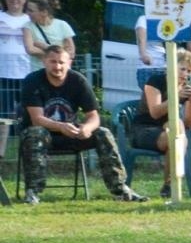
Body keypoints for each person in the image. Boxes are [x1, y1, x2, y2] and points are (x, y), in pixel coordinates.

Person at [19, 45, 146, 203]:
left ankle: (120, 189)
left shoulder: (78, 80)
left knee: (103, 133)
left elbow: (94, 116)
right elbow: (37, 119)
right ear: (44, 61)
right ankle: (33, 192)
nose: (57, 66)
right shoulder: (33, 81)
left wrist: (86, 128)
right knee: (36, 132)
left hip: (71, 133)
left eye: (61, 62)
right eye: (53, 62)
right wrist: (60, 126)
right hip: (42, 135)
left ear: (69, 63)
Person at [130, 47, 191, 199]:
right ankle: (172, 183)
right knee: (176, 138)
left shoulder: (185, 88)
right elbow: (155, 112)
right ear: (170, 66)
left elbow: (190, 123)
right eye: (183, 69)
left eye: (189, 71)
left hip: (169, 130)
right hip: (144, 129)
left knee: (179, 131)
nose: (185, 75)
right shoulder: (155, 81)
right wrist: (176, 96)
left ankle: (169, 185)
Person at [0, 0, 29, 158]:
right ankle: (1, 155)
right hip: (2, 74)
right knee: (3, 117)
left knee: (29, 114)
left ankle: (30, 153)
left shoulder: (30, 20)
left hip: (27, 75)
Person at [22, 0, 74, 70]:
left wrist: (45, 47)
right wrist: (57, 54)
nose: (27, 13)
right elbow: (30, 49)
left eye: (31, 11)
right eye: (27, 10)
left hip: (60, 72)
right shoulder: (28, 26)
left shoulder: (62, 25)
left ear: (44, 12)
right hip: (39, 72)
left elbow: (71, 51)